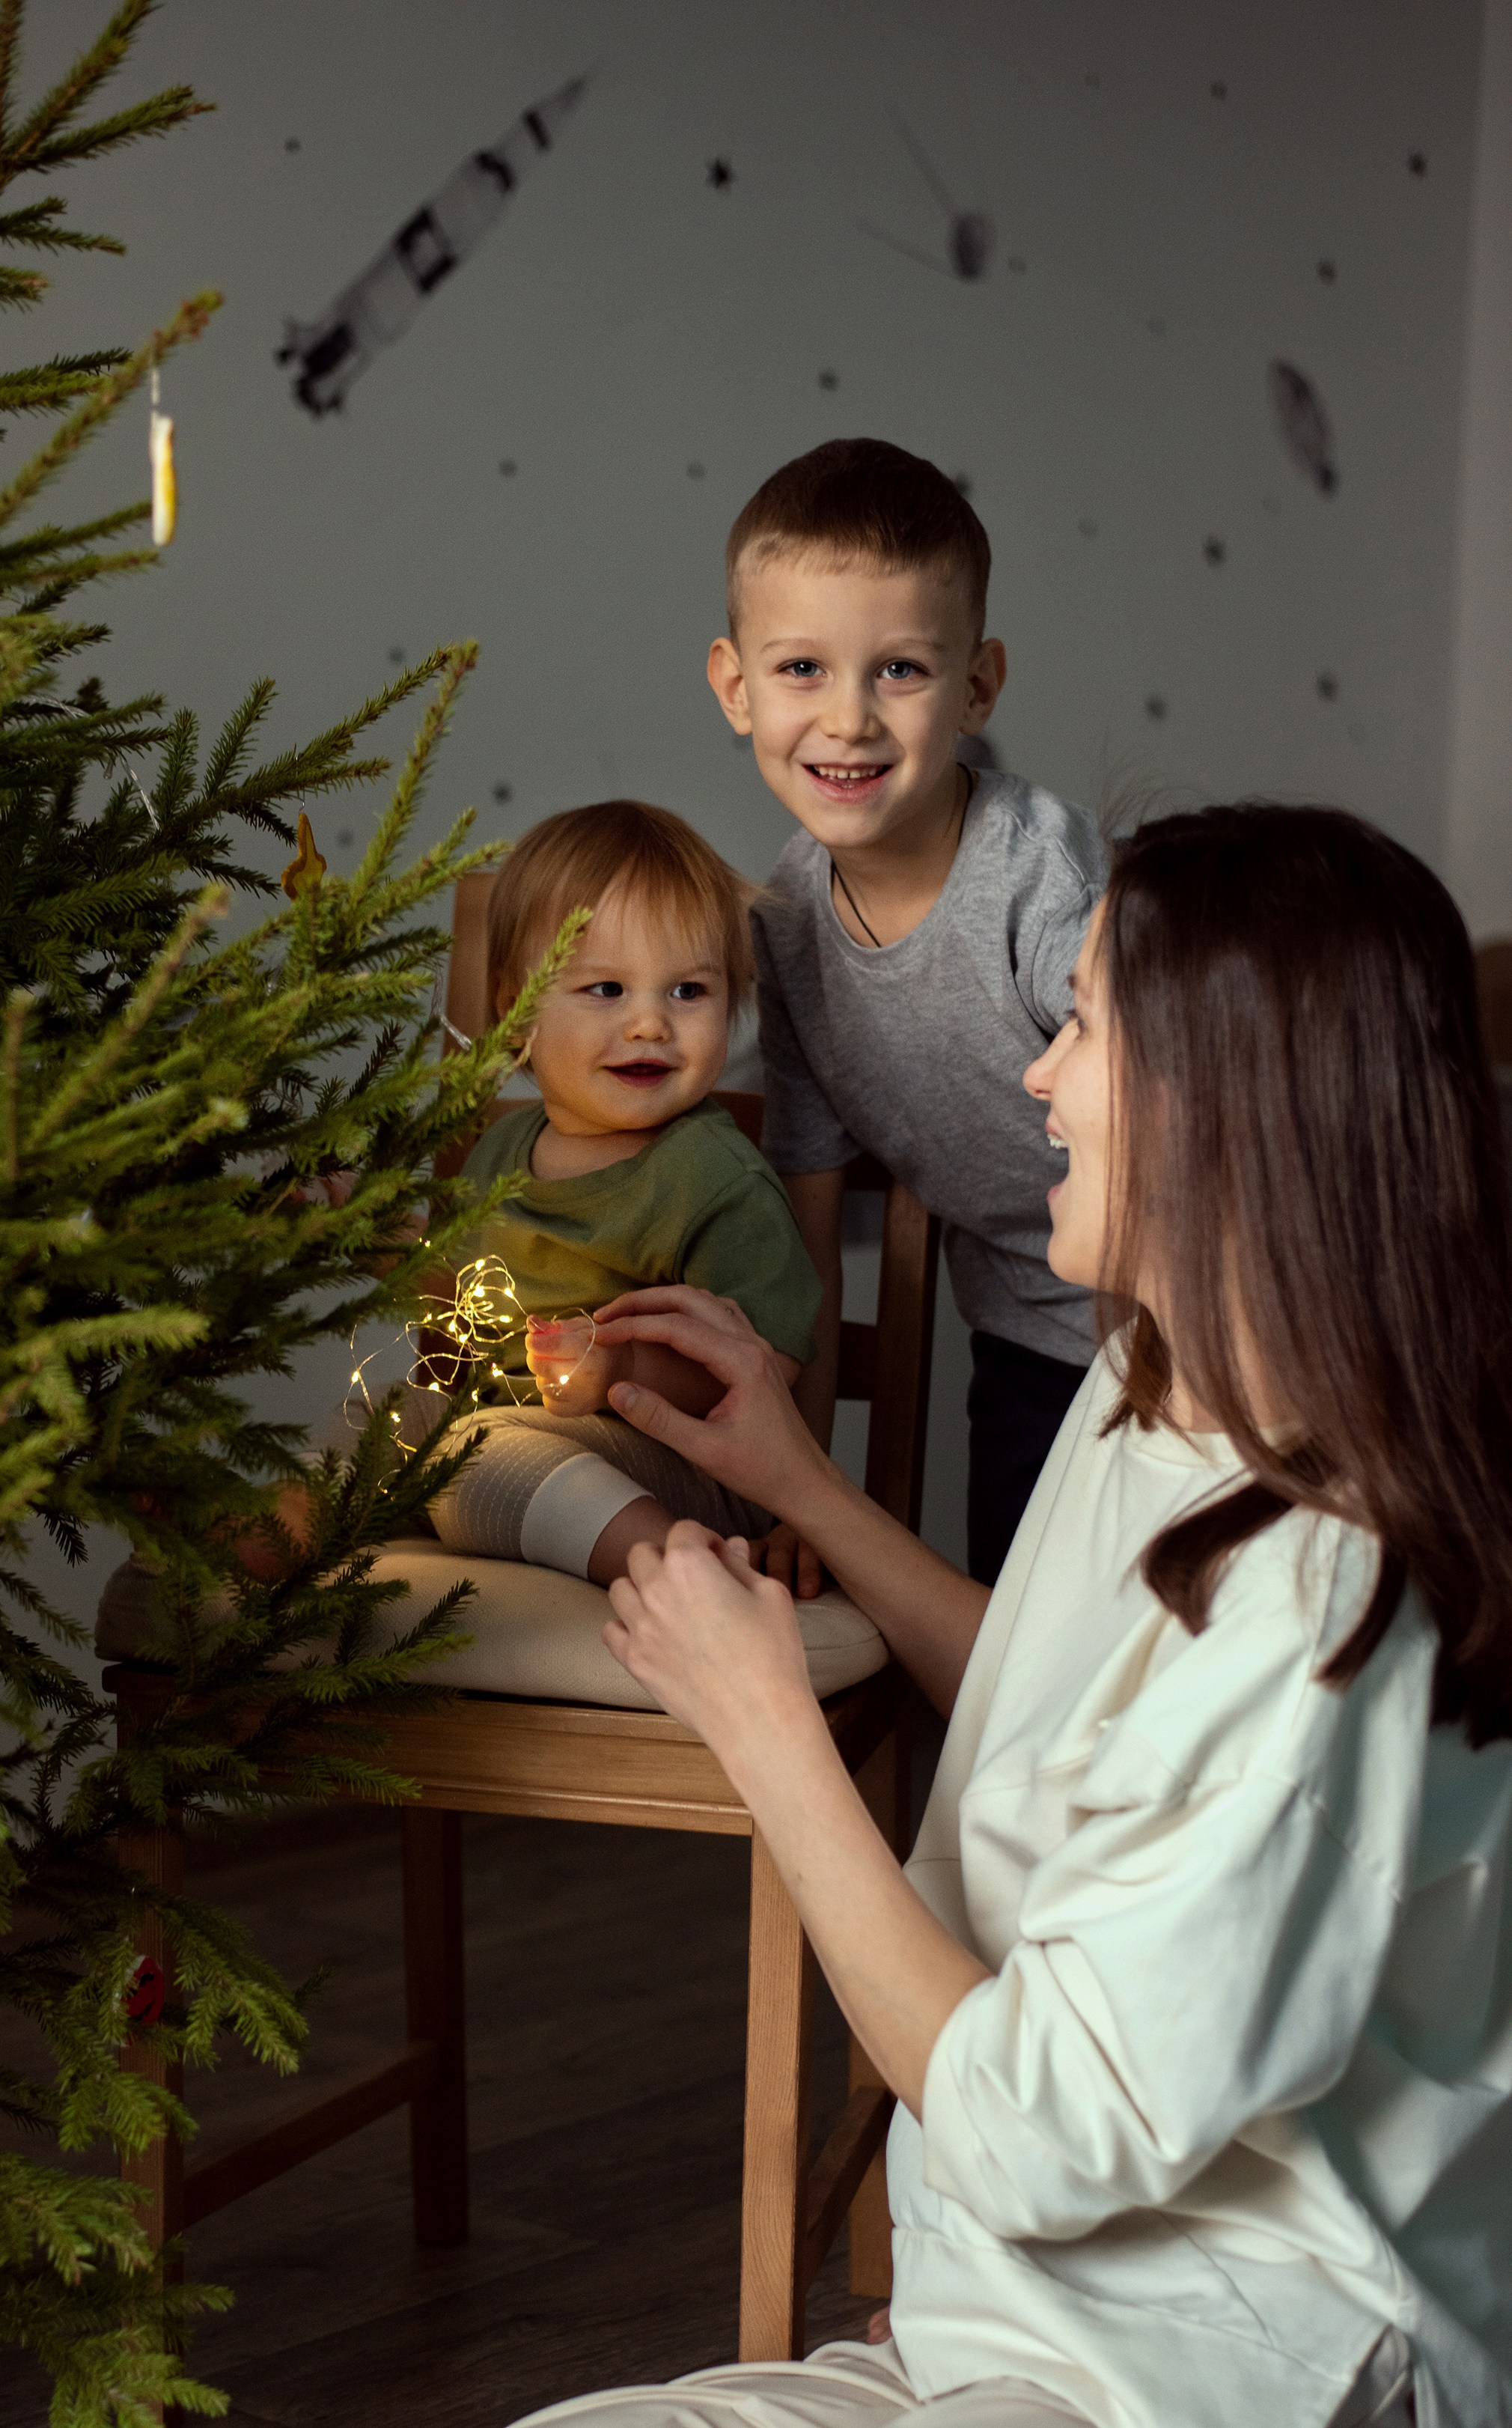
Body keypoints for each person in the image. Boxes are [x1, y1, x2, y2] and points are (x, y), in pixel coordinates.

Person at [517, 804, 1512, 2428]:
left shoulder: (1329, 1600)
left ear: (1225, 1103)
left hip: (1232, 2361)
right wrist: (813, 1489)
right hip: (1014, 2323)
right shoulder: (1157, 1376)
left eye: (1082, 1025)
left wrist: (768, 1734)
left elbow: (1035, 2131)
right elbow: (1075, 1724)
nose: (1036, 1076)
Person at [708, 437, 1107, 1590]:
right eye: (801, 670)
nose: (849, 721)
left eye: (900, 671)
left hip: (1189, 1343)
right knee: (1010, 1678)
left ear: (977, 686)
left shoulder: (1043, 886)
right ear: (736, 687)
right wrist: (805, 1494)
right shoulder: (789, 926)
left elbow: (1185, 1152)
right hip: (1028, 1340)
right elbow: (808, 1247)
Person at [426, 800, 822, 1587]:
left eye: (687, 993)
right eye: (606, 990)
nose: (649, 1025)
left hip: (682, 1467)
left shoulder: (710, 1176)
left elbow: (767, 1368)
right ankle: (259, 1548)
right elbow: (447, 1312)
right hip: (511, 1435)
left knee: (472, 1459)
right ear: (515, 1008)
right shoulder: (499, 1152)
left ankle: (684, 1568)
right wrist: (367, 1244)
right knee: (376, 1434)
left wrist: (621, 1366)